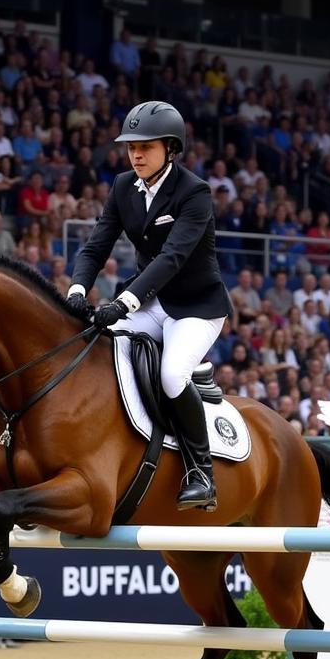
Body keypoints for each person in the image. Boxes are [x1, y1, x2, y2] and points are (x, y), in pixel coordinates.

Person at [68, 101, 231, 511]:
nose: (136, 155)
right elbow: (96, 246)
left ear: (171, 149)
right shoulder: (124, 186)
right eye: (131, 148)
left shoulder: (194, 193)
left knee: (172, 374)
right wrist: (76, 290)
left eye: (147, 147)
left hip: (196, 307)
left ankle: (201, 472)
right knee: (100, 353)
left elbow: (171, 258)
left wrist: (122, 303)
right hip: (152, 301)